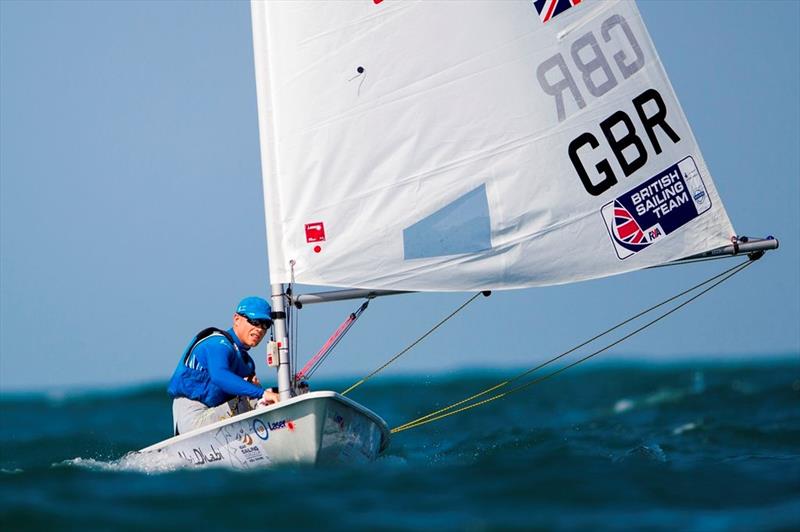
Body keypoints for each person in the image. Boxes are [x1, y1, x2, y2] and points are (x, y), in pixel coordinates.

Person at [167, 296, 280, 435]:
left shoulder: (247, 363)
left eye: (265, 325)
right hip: (192, 417)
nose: (260, 329)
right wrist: (261, 393)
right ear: (236, 319)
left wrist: (258, 391)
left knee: (265, 398)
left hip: (214, 415)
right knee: (259, 399)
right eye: (255, 321)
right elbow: (219, 376)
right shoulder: (217, 344)